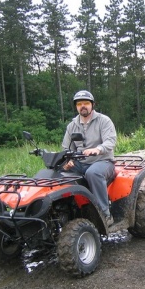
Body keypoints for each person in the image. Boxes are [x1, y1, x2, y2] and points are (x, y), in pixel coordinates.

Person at [62, 90, 117, 226]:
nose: (83, 106)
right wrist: (67, 161)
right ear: (76, 106)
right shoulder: (72, 126)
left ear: (92, 105)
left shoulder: (103, 121)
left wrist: (97, 149)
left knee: (93, 173)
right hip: (81, 163)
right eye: (79, 104)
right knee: (61, 174)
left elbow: (110, 141)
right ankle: (70, 212)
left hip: (103, 162)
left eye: (86, 103)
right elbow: (67, 148)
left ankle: (105, 214)